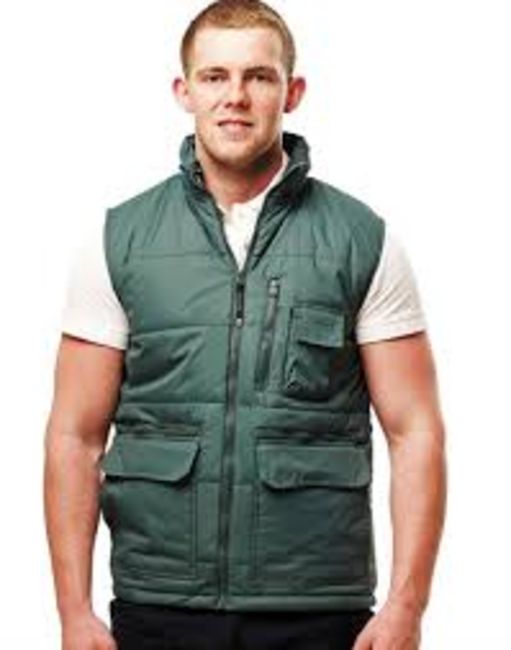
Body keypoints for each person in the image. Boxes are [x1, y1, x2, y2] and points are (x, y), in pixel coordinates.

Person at [43, 1, 447, 649]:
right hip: (157, 601)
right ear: (184, 91)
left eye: (259, 76)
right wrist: (74, 611)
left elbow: (415, 431)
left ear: (292, 92)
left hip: (317, 605)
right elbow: (74, 436)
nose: (235, 96)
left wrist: (407, 606)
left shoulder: (361, 240)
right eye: (214, 76)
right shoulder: (119, 241)